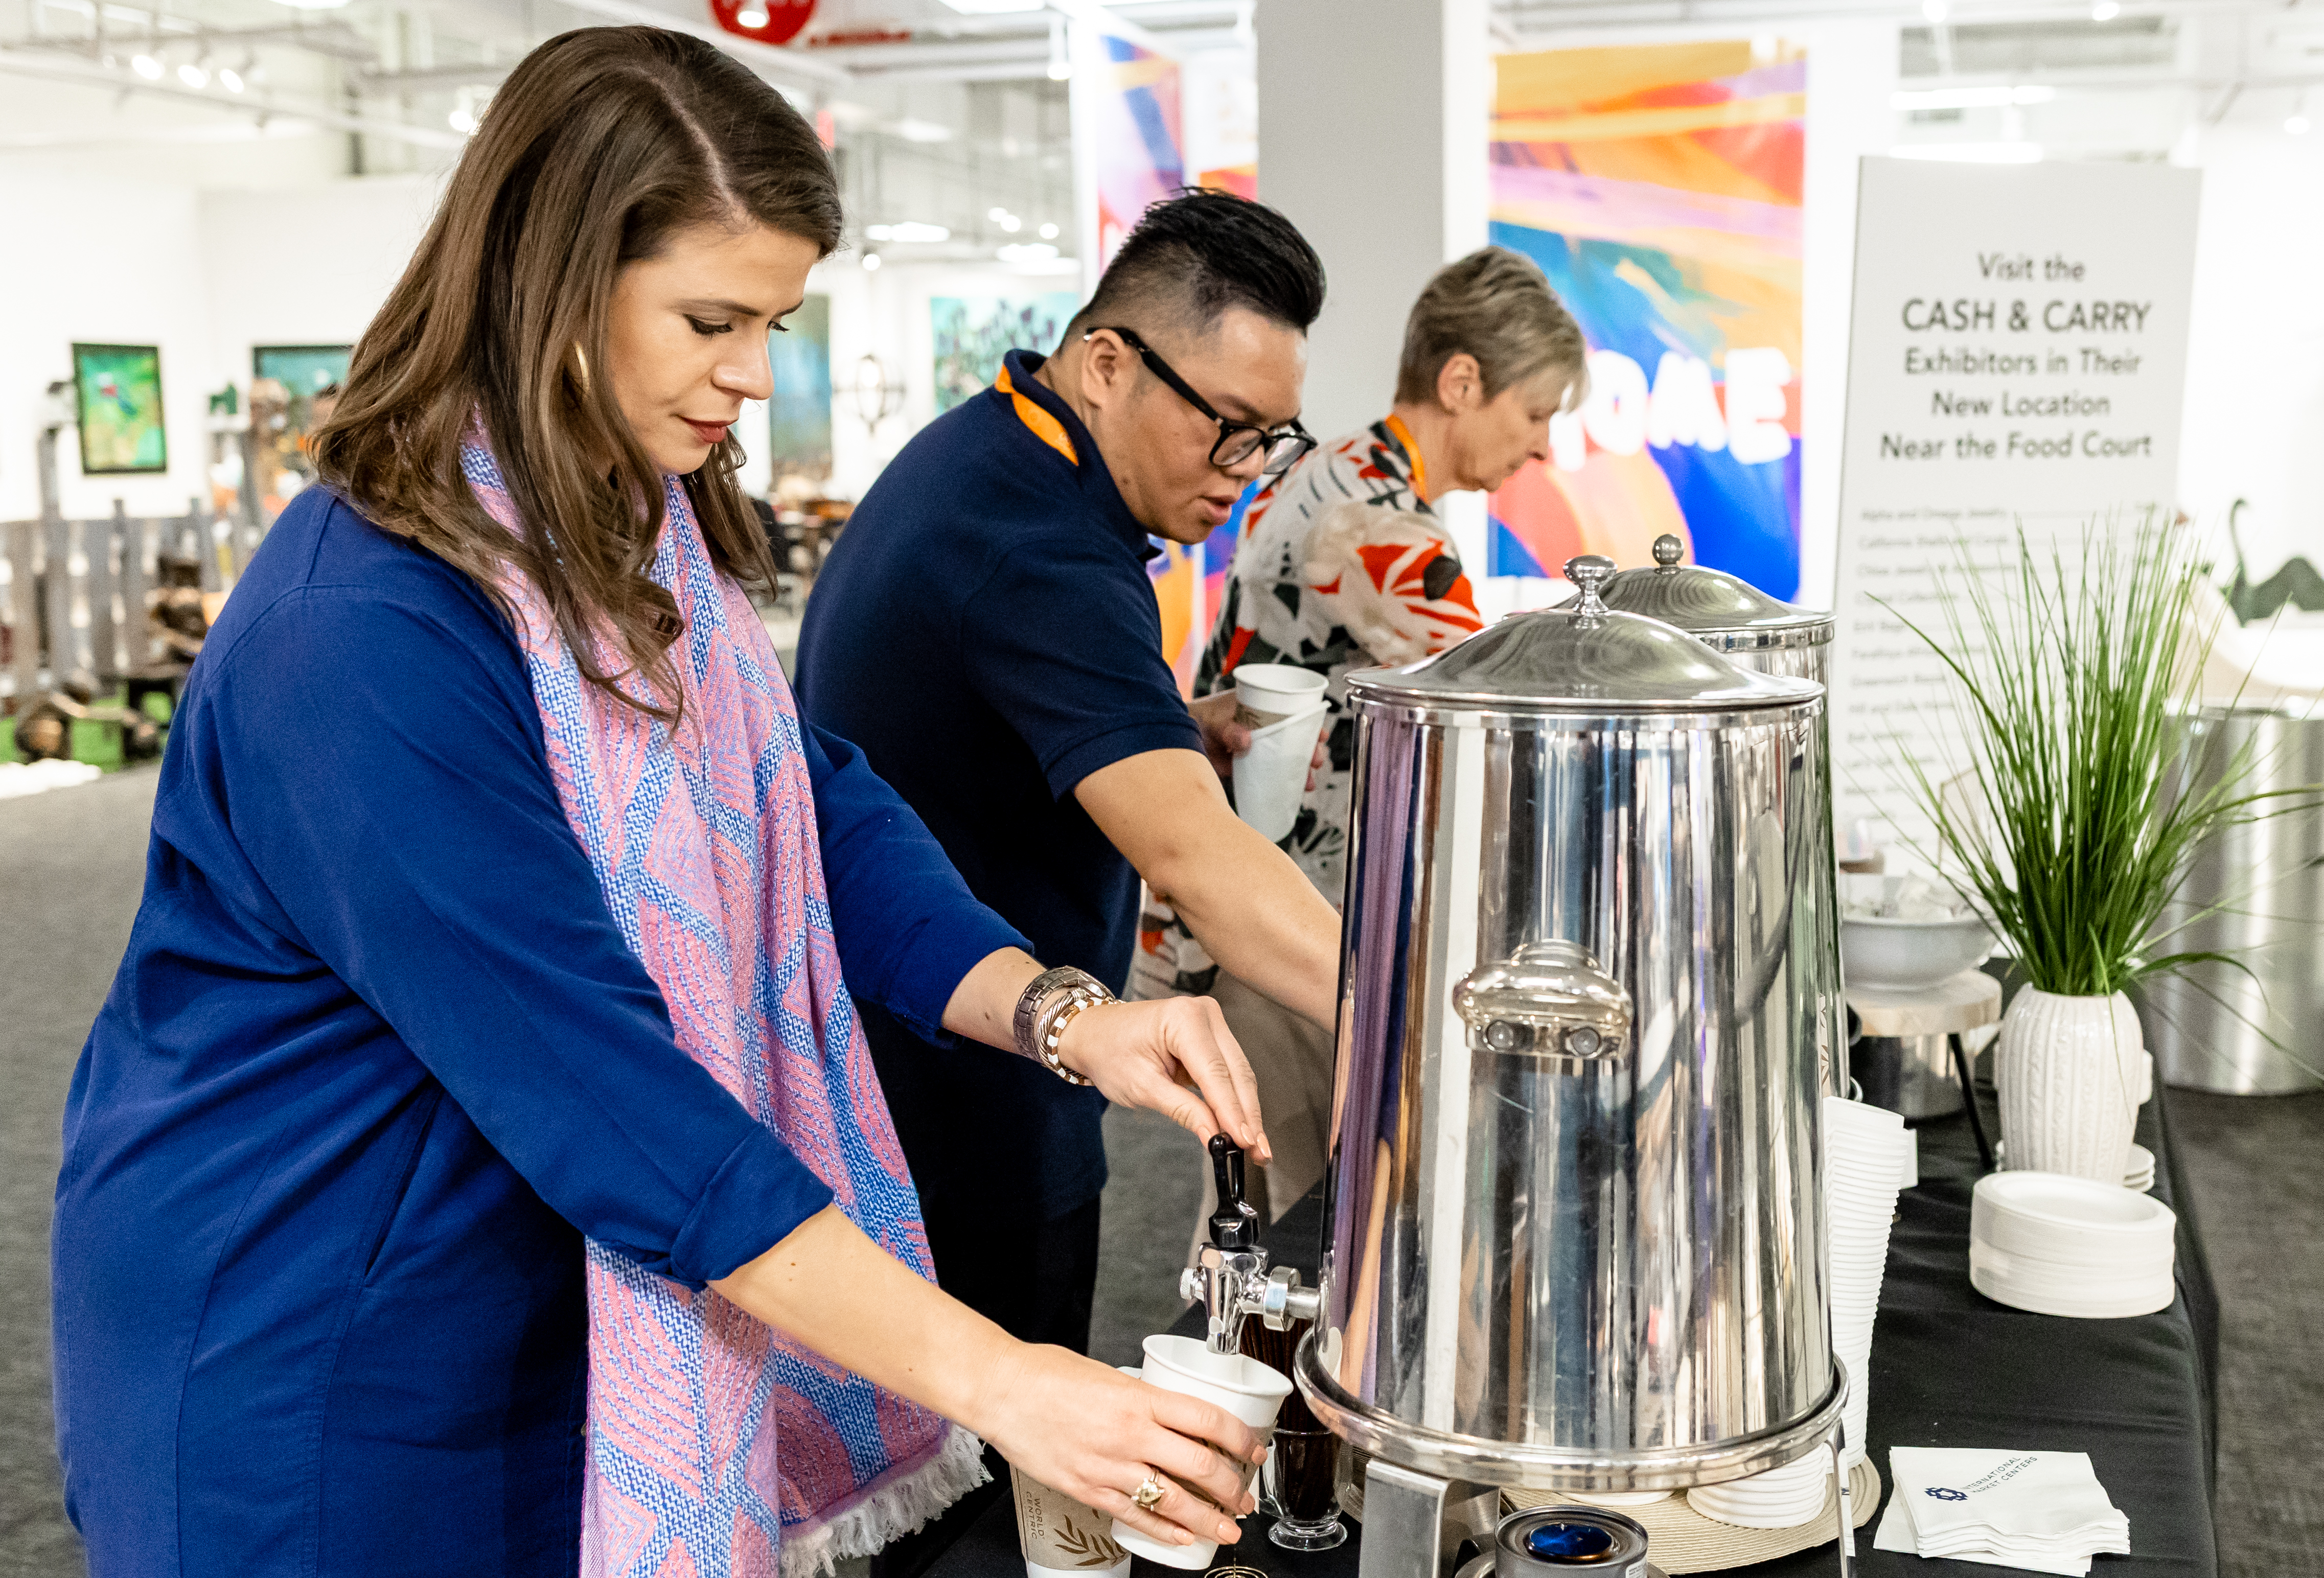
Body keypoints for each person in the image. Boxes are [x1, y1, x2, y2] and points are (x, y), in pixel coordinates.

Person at [50, 29, 1275, 1577]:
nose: (753, 373)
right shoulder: (361, 635)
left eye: (776, 321)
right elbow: (600, 1090)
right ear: (552, 281)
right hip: (317, 1350)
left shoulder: (630, 540)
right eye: (714, 318)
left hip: (540, 1286)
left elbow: (800, 810)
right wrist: (1002, 1377)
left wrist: (1062, 1017)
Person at [795, 191, 1342, 1352]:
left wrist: (1161, 722)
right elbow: (1196, 858)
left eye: (1272, 440)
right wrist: (1434, 1020)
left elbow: (968, 711)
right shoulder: (1040, 550)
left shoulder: (984, 456)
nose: (1245, 472)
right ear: (1107, 363)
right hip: (964, 1103)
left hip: (910, 1070)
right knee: (997, 1499)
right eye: (1228, 427)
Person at [1142, 246, 1589, 1226]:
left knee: (1259, 1227)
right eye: (1536, 412)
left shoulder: (1336, 465)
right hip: (1290, 939)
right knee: (1315, 1245)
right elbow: (1498, 706)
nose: (1543, 447)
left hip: (1253, 923)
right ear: (1462, 381)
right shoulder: (1379, 523)